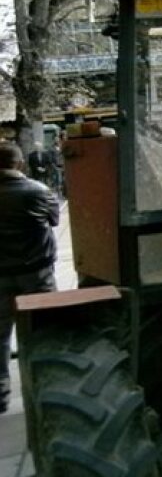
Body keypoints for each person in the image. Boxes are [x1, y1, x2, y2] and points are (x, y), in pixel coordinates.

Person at [0, 142, 59, 413]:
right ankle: (48, 388)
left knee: (0, 335)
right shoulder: (39, 191)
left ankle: (1, 394)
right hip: (37, 274)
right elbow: (54, 220)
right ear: (21, 163)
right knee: (44, 330)